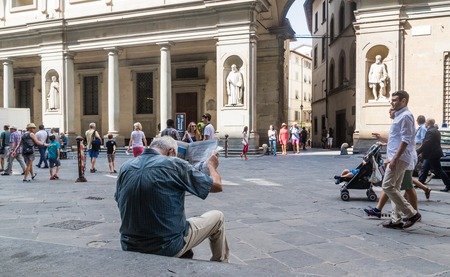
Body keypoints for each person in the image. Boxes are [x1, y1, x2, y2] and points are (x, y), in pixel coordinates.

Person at [115, 136, 229, 262]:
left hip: (130, 245)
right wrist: (212, 166)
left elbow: (119, 199)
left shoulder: (125, 167)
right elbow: (217, 185)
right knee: (218, 217)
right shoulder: (174, 164)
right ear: (171, 152)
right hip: (166, 246)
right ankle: (220, 265)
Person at [378, 90, 421, 229]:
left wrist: (395, 158)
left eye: (395, 100)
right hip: (396, 157)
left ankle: (412, 213)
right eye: (392, 100)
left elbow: (405, 140)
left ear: (403, 101)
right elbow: (396, 139)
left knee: (387, 186)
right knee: (395, 188)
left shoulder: (406, 116)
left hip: (400, 158)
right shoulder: (399, 116)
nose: (392, 102)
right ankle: (396, 220)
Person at [417, 118, 450, 192]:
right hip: (431, 154)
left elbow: (426, 143)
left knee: (438, 170)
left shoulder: (430, 132)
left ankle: (448, 184)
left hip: (432, 154)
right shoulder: (435, 130)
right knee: (425, 168)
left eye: (426, 122)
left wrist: (418, 151)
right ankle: (420, 183)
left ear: (427, 123)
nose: (425, 124)